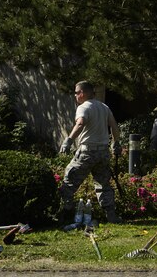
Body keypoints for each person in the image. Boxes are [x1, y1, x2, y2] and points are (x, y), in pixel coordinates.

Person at [59, 80, 122, 224]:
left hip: (87, 153)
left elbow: (80, 123)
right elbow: (113, 125)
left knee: (69, 181)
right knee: (104, 185)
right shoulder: (104, 107)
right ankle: (111, 216)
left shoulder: (83, 107)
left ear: (82, 93)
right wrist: (116, 142)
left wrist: (68, 140)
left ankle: (64, 215)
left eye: (76, 93)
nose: (75, 96)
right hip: (103, 153)